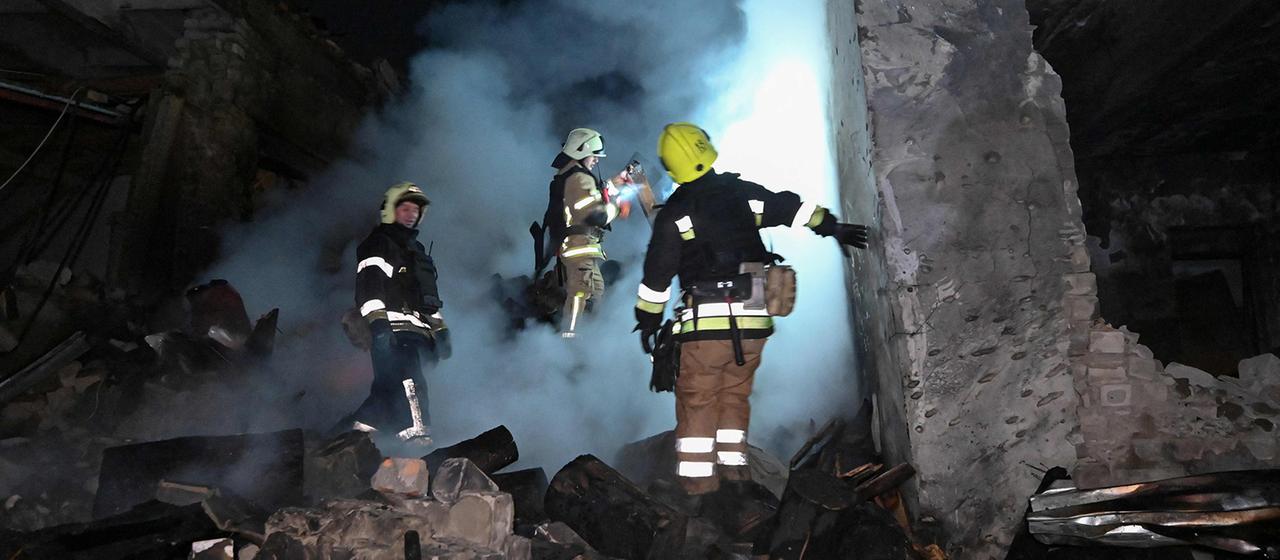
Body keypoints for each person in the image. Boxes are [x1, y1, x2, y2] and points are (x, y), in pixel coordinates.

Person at [634, 123, 870, 495]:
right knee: (734, 397)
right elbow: (792, 207)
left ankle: (699, 491)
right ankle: (736, 480)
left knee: (699, 401)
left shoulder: (676, 214)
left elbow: (656, 278)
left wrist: (646, 322)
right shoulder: (741, 196)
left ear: (672, 165)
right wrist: (832, 226)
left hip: (704, 330)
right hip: (754, 325)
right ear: (706, 152)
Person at [345, 181, 451, 444]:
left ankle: (347, 436)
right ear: (390, 210)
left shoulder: (417, 252)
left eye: (415, 209)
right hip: (391, 331)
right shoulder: (379, 243)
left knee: (386, 392)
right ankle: (418, 440)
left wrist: (441, 331)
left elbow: (428, 300)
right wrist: (379, 327)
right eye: (404, 208)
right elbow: (369, 289)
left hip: (417, 333)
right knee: (409, 382)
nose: (411, 214)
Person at [540, 128, 629, 338]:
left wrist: (615, 183)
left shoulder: (573, 175)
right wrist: (617, 207)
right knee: (581, 292)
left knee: (596, 292)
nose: (596, 160)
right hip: (579, 247)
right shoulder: (579, 178)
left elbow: (591, 196)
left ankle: (589, 338)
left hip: (579, 248)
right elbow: (595, 215)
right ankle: (570, 340)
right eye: (594, 155)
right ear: (581, 151)